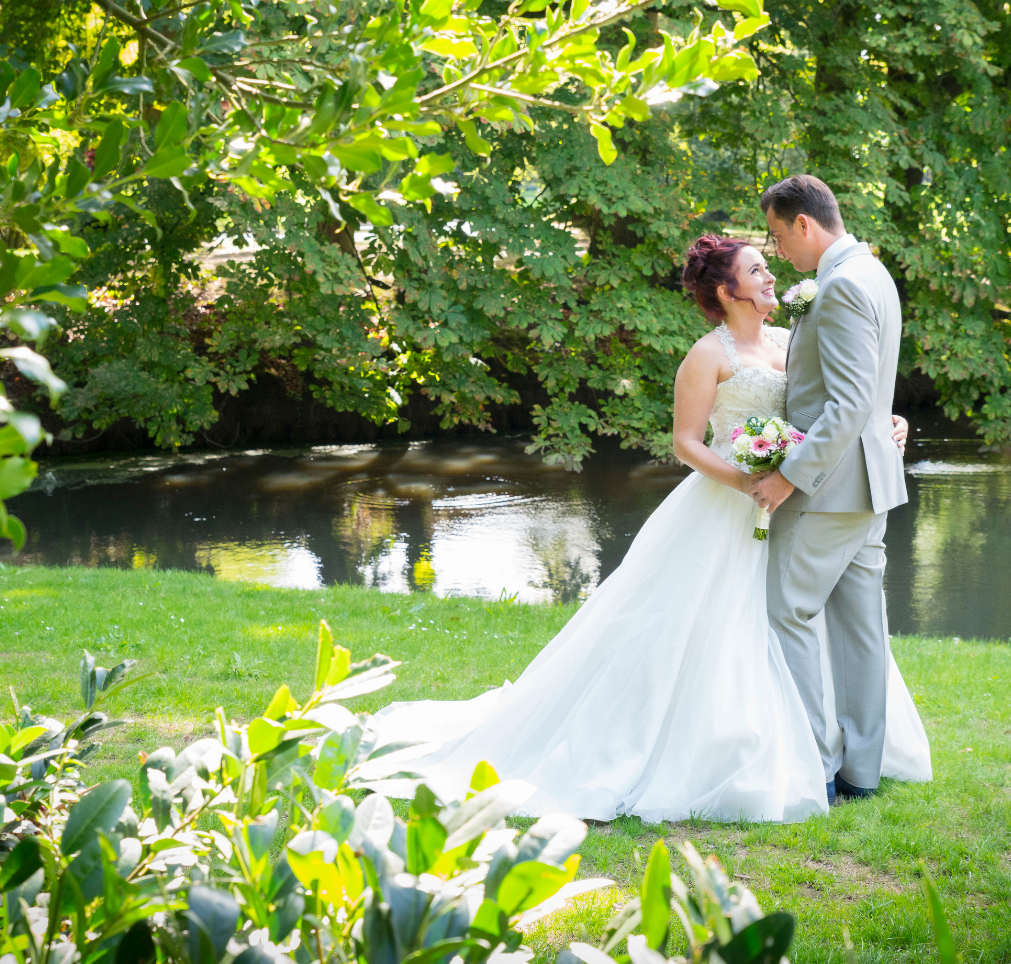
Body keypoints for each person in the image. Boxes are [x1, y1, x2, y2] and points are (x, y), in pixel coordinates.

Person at [362, 229, 930, 823]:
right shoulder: (708, 355)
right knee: (708, 627)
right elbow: (686, 443)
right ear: (726, 289)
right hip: (730, 502)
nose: (770, 278)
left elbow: (837, 400)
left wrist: (883, 422)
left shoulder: (793, 340)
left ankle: (812, 747)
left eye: (768, 266)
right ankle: (721, 747)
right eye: (756, 270)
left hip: (792, 500)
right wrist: (743, 480)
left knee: (786, 619)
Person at [749, 173, 910, 802]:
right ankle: (859, 774)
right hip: (871, 486)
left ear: (805, 225)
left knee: (787, 612)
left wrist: (789, 477)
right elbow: (871, 395)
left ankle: (812, 764)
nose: (779, 252)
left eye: (778, 237)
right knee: (861, 629)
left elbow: (845, 406)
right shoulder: (874, 273)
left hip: (831, 490)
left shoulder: (840, 286)